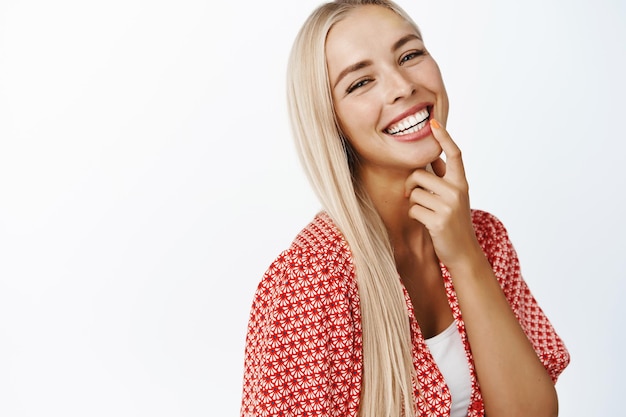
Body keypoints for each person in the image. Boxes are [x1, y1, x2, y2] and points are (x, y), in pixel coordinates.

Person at [240, 0, 570, 416]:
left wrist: (466, 258)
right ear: (331, 121)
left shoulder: (484, 238)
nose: (401, 85)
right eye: (360, 82)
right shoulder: (312, 281)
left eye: (410, 54)